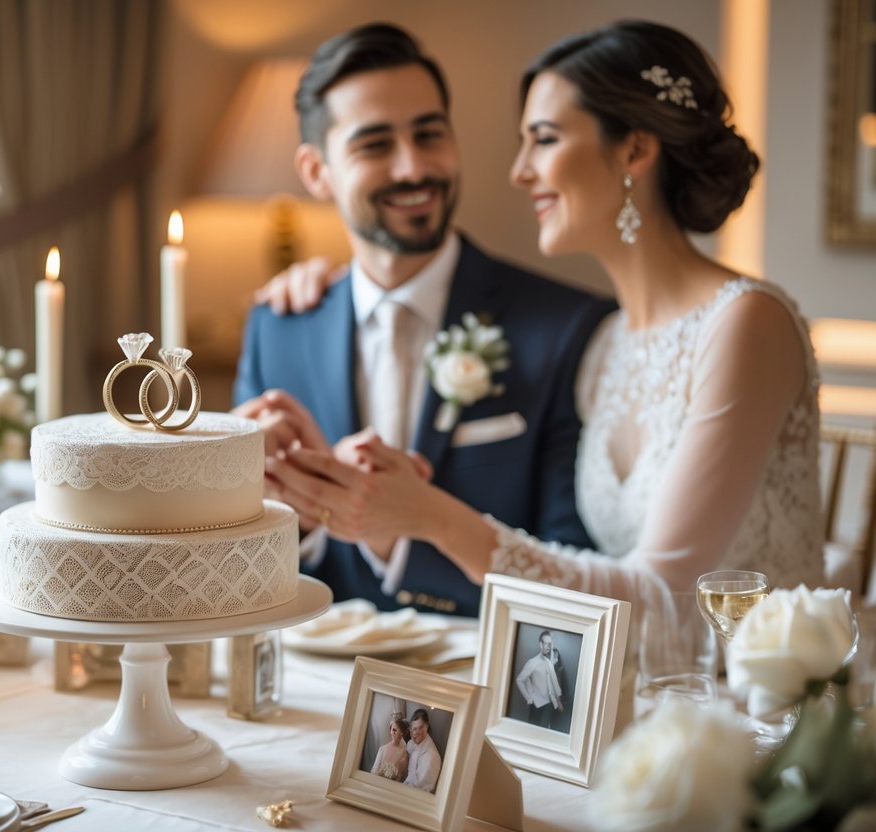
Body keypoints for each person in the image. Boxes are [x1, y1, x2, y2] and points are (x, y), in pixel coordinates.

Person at [261, 20, 824, 619]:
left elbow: (666, 595)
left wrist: (429, 514)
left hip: (752, 698)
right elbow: (578, 557)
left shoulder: (744, 323)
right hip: (617, 689)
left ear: (634, 149)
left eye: (546, 139)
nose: (519, 171)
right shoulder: (606, 345)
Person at [232, 22, 614, 618]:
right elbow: (241, 566)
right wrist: (290, 509)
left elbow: (574, 566)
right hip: (309, 681)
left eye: (429, 134)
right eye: (375, 145)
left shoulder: (567, 327)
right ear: (315, 172)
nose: (413, 168)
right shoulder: (279, 328)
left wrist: (397, 532)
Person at [516, 631, 563, 728]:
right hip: (538, 706)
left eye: (550, 644)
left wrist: (558, 701)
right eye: (545, 643)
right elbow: (519, 680)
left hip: (550, 705)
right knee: (533, 732)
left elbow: (552, 682)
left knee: (546, 732)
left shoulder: (549, 663)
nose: (548, 647)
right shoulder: (532, 662)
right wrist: (528, 698)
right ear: (540, 644)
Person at [402, 708, 442, 792]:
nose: (416, 733)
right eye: (414, 729)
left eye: (420, 728)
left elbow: (417, 788)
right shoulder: (412, 743)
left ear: (427, 726)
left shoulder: (431, 756)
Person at [370, 714, 410, 782]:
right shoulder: (382, 749)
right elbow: (373, 772)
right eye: (392, 730)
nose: (393, 733)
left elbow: (403, 777)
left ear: (402, 733)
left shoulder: (404, 754)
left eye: (395, 730)